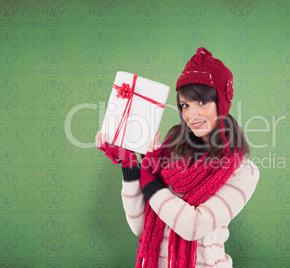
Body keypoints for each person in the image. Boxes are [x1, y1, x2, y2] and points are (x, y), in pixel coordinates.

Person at [95, 47, 259, 268]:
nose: (192, 114)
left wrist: (148, 180)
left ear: (221, 104)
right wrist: (131, 167)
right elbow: (141, 227)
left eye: (202, 102)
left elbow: (193, 226)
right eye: (185, 105)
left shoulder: (242, 170)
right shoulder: (169, 153)